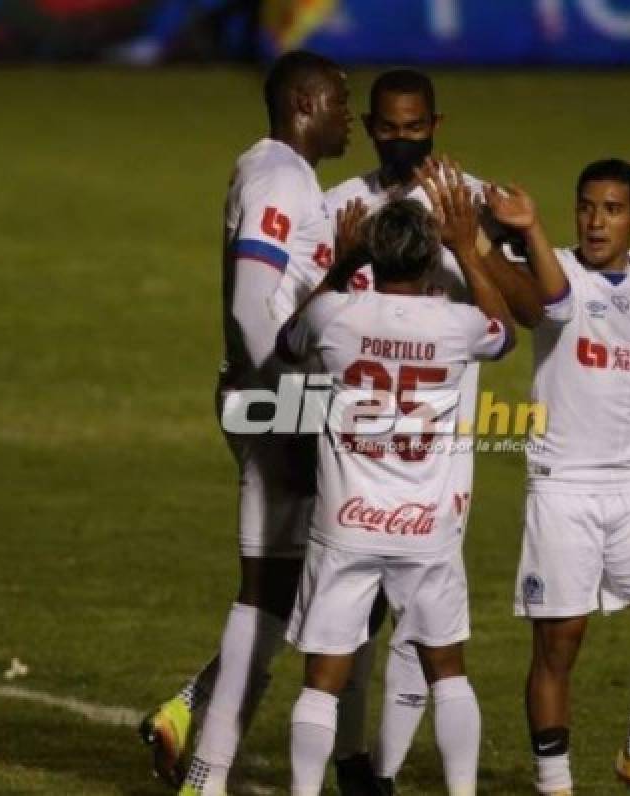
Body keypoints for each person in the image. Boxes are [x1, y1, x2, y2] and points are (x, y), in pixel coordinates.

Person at [136, 49, 357, 796]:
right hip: (273, 400)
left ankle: (187, 715)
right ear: (304, 101)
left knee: (297, 584)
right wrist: (282, 408)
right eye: (340, 100)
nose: (348, 115)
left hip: (282, 399)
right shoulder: (276, 178)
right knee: (275, 587)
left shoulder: (287, 176)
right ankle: (205, 770)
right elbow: (248, 305)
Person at [322, 68, 540, 793]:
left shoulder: (471, 202)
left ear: (436, 125)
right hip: (355, 450)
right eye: (390, 128)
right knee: (350, 625)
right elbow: (306, 319)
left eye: (417, 129)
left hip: (441, 459)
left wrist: (469, 247)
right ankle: (353, 760)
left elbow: (530, 311)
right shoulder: (340, 206)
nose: (404, 142)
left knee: (420, 626)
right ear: (371, 126)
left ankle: (378, 771)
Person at [277, 188, 516, 795]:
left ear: (371, 255)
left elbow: (286, 343)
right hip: (425, 528)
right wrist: (470, 248)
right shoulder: (458, 325)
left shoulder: (335, 315)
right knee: (447, 672)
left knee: (322, 679)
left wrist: (339, 263)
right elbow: (504, 332)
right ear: (431, 254)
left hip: (345, 525)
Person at [484, 159, 630, 795]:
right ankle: (554, 784)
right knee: (560, 643)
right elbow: (551, 301)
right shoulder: (555, 270)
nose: (595, 221)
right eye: (586, 207)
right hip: (564, 487)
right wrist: (522, 231)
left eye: (611, 210)